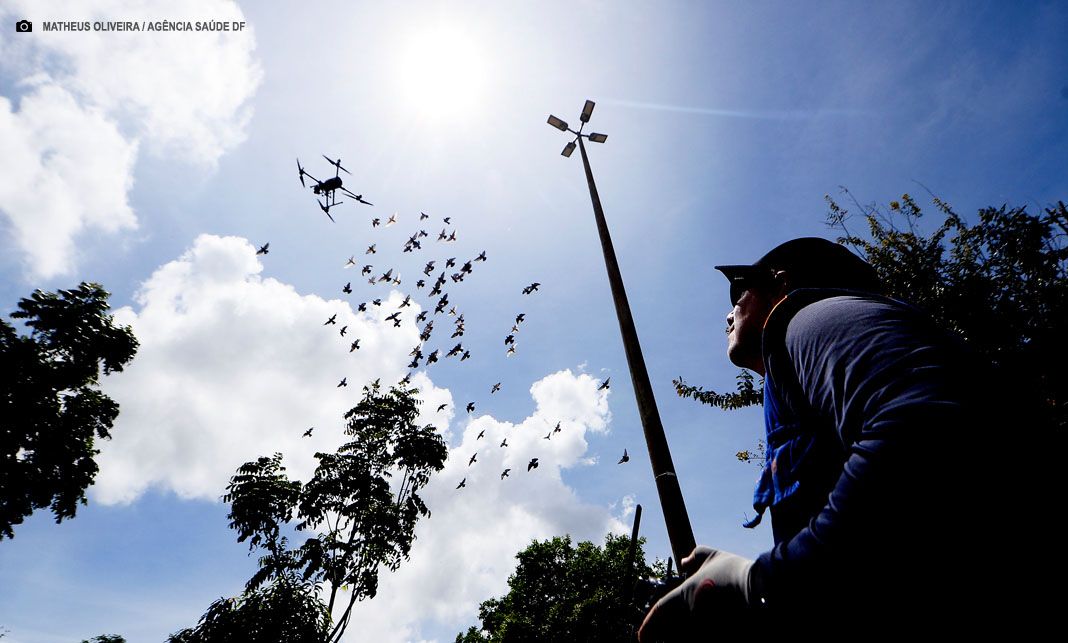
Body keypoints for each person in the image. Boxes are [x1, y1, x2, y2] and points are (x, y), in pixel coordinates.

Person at [638, 237, 1049, 640]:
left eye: (739, 290)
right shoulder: (803, 368)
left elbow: (926, 431)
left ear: (780, 284)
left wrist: (756, 582)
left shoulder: (811, 319)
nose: (729, 313)